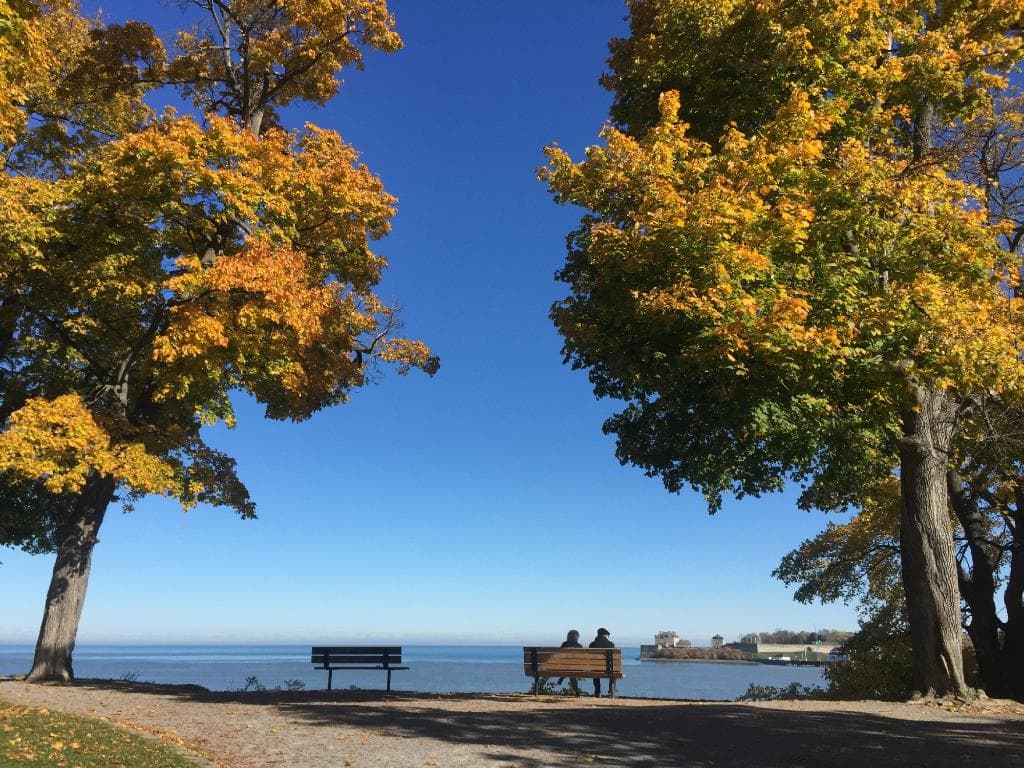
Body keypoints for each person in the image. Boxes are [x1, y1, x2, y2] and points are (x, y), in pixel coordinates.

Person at [589, 627, 614, 697]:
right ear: (605, 635)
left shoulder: (592, 644)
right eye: (608, 636)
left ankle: (597, 692)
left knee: (595, 670)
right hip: (608, 670)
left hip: (595, 669)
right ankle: (610, 692)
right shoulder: (611, 644)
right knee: (613, 673)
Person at [557, 629, 582, 695]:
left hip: (565, 666)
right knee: (572, 672)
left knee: (570, 670)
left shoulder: (564, 644)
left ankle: (563, 676)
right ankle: (577, 692)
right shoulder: (579, 646)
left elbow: (559, 655)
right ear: (577, 637)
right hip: (576, 667)